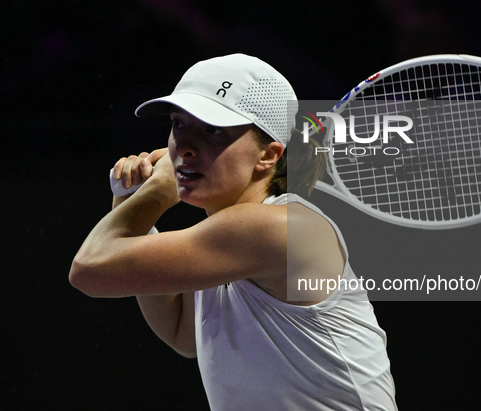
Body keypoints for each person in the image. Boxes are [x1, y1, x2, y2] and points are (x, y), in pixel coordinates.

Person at [70, 53, 398, 410]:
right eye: (179, 125)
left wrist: (156, 193)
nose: (186, 147)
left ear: (269, 155)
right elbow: (184, 332)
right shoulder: (235, 236)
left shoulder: (273, 228)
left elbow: (90, 271)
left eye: (212, 130)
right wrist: (131, 202)